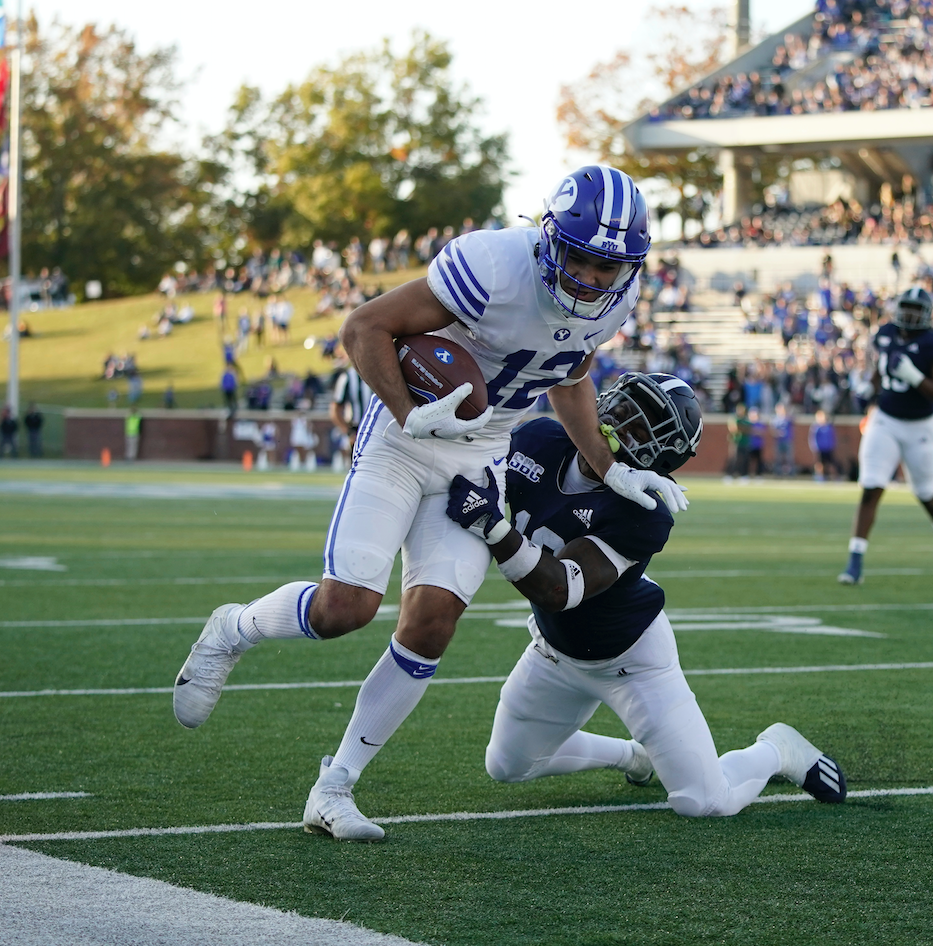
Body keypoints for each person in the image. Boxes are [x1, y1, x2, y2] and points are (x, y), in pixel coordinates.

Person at [171, 165, 687, 841]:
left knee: (432, 622)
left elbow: (572, 371)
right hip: (405, 434)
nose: (592, 278)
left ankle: (334, 787)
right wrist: (409, 412)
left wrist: (608, 466)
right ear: (550, 239)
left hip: (481, 451)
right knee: (345, 609)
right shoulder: (496, 265)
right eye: (581, 259)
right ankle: (233, 628)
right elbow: (364, 329)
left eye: (608, 266)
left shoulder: (616, 299)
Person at [448, 372, 846, 817]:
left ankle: (778, 749)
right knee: (506, 765)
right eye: (621, 409)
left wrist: (491, 526)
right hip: (554, 651)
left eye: (639, 428)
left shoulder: (645, 511)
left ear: (660, 459)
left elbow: (558, 587)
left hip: (631, 661)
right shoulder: (539, 436)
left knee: (704, 802)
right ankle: (632, 756)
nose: (618, 425)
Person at [839, 286, 933, 585]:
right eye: (907, 307)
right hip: (886, 420)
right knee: (871, 486)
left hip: (921, 426)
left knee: (925, 493)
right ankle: (855, 561)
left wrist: (916, 377)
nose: (910, 313)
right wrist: (871, 386)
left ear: (927, 314)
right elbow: (883, 367)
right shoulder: (886, 333)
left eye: (917, 309)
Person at [809, 410, 837, 481]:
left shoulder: (829, 427)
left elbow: (832, 437)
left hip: (828, 448)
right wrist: (815, 447)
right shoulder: (816, 427)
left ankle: (834, 477)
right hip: (820, 448)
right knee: (819, 464)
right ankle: (820, 477)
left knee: (830, 463)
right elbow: (813, 438)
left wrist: (832, 445)